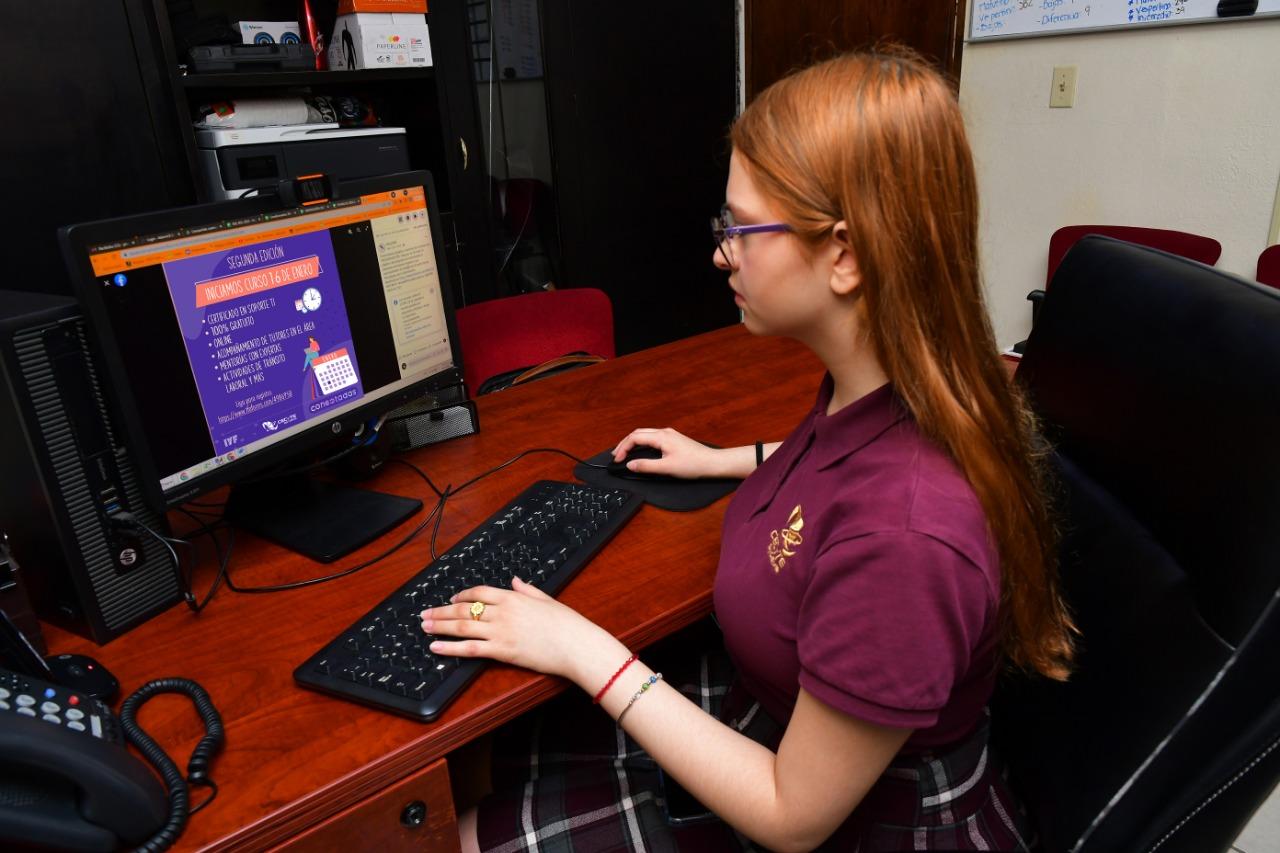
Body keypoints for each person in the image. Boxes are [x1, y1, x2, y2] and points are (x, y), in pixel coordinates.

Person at [419, 47, 1077, 852]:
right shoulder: (889, 384)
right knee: (504, 747)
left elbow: (790, 815)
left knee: (458, 828)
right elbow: (839, 468)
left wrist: (582, 644)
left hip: (861, 818)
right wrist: (721, 458)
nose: (720, 252)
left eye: (741, 228)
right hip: (787, 713)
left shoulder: (908, 536)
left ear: (847, 254)